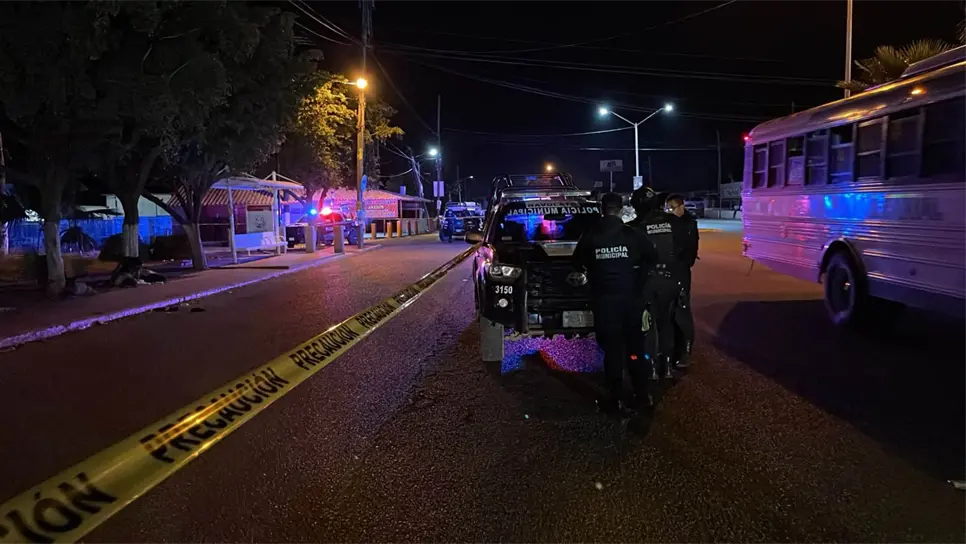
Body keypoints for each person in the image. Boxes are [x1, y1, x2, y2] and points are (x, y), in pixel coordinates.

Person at [574, 192, 654, 415]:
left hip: (606, 303)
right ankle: (643, 396)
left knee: (613, 352)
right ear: (620, 209)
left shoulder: (591, 237)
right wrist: (638, 280)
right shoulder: (633, 235)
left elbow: (577, 262)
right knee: (636, 350)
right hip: (631, 302)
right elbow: (651, 257)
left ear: (602, 209)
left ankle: (616, 398)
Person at [627, 187, 688, 380]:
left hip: (647, 282)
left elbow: (632, 258)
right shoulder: (675, 224)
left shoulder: (634, 227)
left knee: (647, 326)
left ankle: (651, 367)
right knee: (667, 323)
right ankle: (668, 366)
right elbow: (685, 252)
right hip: (671, 280)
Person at [664, 194, 698, 368]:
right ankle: (672, 351)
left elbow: (690, 252)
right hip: (672, 272)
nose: (669, 212)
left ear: (681, 206)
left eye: (672, 208)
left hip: (681, 272)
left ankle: (684, 351)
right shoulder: (669, 224)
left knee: (682, 312)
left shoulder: (688, 224)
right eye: (667, 209)